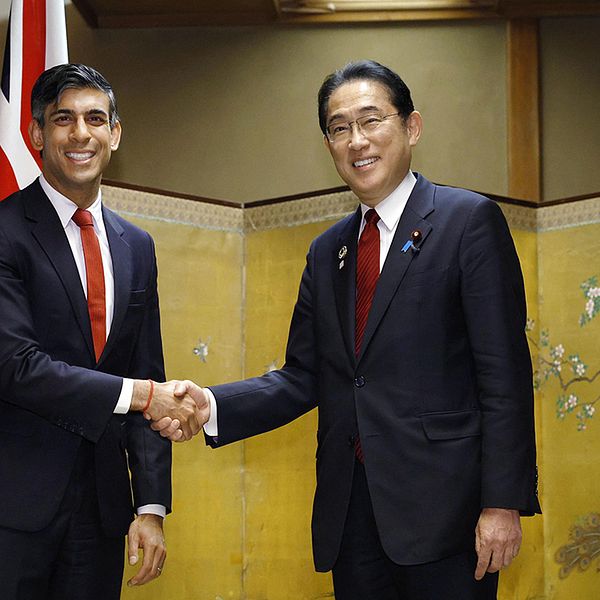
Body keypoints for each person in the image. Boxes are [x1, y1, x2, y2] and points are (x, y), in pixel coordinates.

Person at [155, 60, 541, 599]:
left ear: (412, 127)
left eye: (371, 120)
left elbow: (504, 375)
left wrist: (503, 502)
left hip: (449, 515)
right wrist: (210, 405)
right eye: (339, 128)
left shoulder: (467, 221)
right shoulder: (326, 251)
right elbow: (303, 376)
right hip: (351, 516)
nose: (357, 141)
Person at [0, 63, 203, 600]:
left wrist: (152, 507)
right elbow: (15, 366)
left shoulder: (137, 246)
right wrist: (140, 396)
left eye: (95, 118)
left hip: (103, 513)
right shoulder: (4, 231)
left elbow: (148, 372)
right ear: (37, 134)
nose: (81, 133)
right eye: (63, 119)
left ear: (115, 132)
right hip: (11, 510)